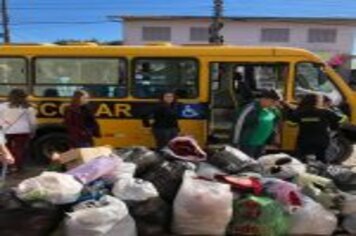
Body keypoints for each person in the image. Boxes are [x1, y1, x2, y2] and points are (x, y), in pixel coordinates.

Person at [284, 94, 345, 162]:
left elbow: (291, 124)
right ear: (316, 102)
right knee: (321, 161)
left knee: (301, 161)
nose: (321, 102)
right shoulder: (325, 112)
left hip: (304, 141)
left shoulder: (299, 112)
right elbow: (342, 120)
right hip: (321, 141)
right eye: (320, 100)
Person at [232, 89, 281, 158]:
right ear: (264, 99)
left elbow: (275, 123)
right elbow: (238, 125)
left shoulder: (273, 110)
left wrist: (276, 136)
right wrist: (236, 142)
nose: (274, 104)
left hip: (261, 143)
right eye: (272, 102)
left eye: (275, 102)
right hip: (248, 143)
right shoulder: (251, 108)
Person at [0, 89, 36, 173]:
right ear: (24, 97)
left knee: (5, 149)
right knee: (19, 149)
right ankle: (17, 167)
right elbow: (33, 122)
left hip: (6, 130)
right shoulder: (28, 108)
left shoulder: (2, 106)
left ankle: (7, 167)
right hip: (23, 131)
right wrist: (33, 131)